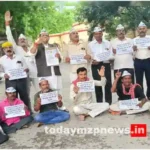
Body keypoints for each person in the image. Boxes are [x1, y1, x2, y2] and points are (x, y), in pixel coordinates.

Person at [5, 11, 39, 92]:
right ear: (17, 42)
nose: (22, 40)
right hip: (23, 75)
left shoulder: (32, 48)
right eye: (20, 40)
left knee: (40, 92)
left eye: (24, 39)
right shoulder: (16, 49)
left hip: (35, 74)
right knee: (26, 95)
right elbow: (9, 37)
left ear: (27, 41)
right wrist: (7, 24)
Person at [0, 42, 31, 110]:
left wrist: (26, 70)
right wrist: (3, 75)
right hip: (10, 82)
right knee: (12, 98)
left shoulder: (19, 57)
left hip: (22, 81)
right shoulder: (1, 60)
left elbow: (26, 67)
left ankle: (28, 113)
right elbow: (0, 72)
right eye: (6, 48)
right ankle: (16, 114)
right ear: (3, 50)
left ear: (12, 48)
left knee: (25, 96)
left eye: (10, 47)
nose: (8, 49)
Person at [88, 27, 112, 104]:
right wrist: (92, 61)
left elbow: (111, 55)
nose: (98, 35)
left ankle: (108, 103)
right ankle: (99, 103)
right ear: (94, 35)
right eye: (96, 34)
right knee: (98, 84)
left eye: (99, 33)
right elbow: (89, 56)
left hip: (106, 64)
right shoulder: (90, 45)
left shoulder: (108, 43)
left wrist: (108, 58)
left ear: (102, 34)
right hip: (95, 65)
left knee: (107, 83)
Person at [133, 21, 150, 100]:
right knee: (139, 80)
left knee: (149, 79)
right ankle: (141, 97)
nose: (142, 30)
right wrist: (134, 49)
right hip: (138, 61)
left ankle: (149, 96)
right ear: (137, 30)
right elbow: (130, 52)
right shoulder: (134, 40)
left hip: (148, 61)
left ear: (146, 29)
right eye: (140, 29)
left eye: (143, 29)